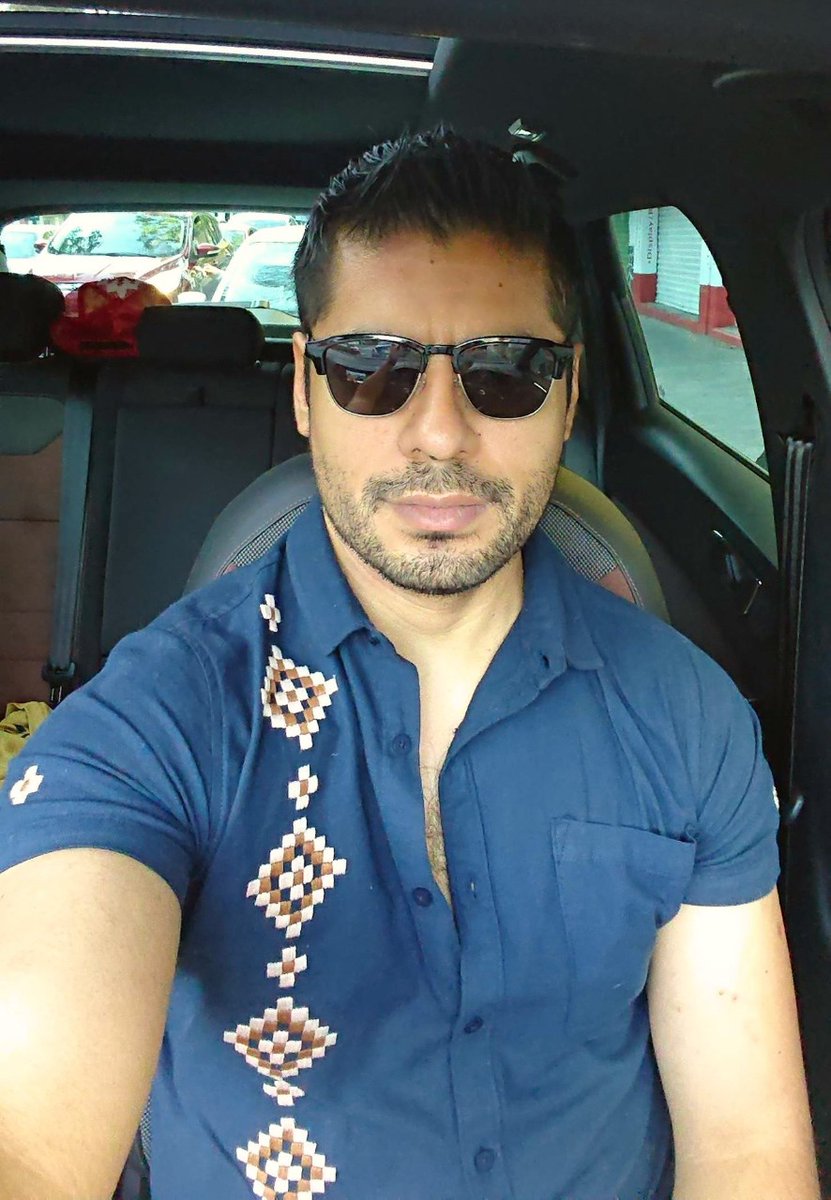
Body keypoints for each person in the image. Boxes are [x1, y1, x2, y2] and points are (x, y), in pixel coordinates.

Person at [0, 128, 819, 1200]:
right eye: (370, 369)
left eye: (506, 372)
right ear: (306, 390)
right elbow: (29, 1135)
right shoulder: (162, 719)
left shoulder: (687, 715)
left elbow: (749, 1152)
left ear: (569, 395)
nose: (439, 434)